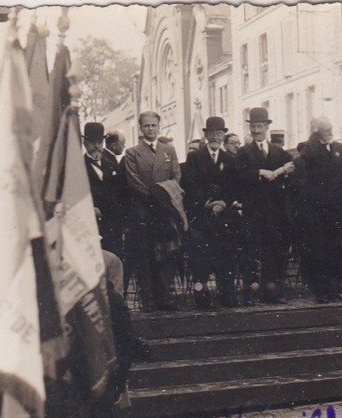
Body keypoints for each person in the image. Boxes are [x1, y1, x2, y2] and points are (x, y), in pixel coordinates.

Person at [235, 107, 295, 304]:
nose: (256, 130)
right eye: (252, 126)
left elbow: (292, 172)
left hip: (275, 212)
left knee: (273, 251)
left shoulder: (279, 152)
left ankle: (271, 291)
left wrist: (286, 171)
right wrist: (259, 171)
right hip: (254, 211)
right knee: (251, 252)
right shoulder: (243, 152)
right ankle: (249, 293)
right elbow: (238, 177)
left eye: (259, 126)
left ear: (267, 127)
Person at [123, 111, 182, 311]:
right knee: (146, 255)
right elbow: (133, 180)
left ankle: (165, 296)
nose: (150, 129)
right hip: (144, 210)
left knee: (165, 254)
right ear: (141, 128)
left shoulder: (169, 150)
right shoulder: (132, 153)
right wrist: (152, 197)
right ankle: (148, 299)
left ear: (159, 126)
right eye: (146, 126)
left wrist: (165, 195)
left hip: (164, 209)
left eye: (154, 126)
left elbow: (176, 175)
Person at [182, 116, 243, 309]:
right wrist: (208, 203)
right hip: (202, 217)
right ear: (206, 135)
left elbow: (234, 186)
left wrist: (224, 202)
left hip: (223, 216)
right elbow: (190, 186)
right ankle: (201, 294)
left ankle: (227, 294)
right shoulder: (194, 157)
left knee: (226, 256)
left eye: (219, 133)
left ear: (223, 135)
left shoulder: (229, 159)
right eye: (212, 133)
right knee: (201, 258)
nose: (216, 136)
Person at [297, 116, 342, 302]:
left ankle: (338, 288)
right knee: (319, 251)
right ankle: (321, 291)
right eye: (326, 130)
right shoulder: (310, 150)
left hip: (336, 209)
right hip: (317, 211)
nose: (331, 133)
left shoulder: (339, 148)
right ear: (317, 132)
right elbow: (306, 177)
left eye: (331, 129)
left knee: (338, 248)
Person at [82, 122, 127, 259]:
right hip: (91, 226)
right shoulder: (78, 167)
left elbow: (122, 193)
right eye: (92, 142)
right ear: (84, 143)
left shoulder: (113, 165)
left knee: (114, 262)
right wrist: (89, 208)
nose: (96, 146)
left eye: (99, 142)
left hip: (113, 226)